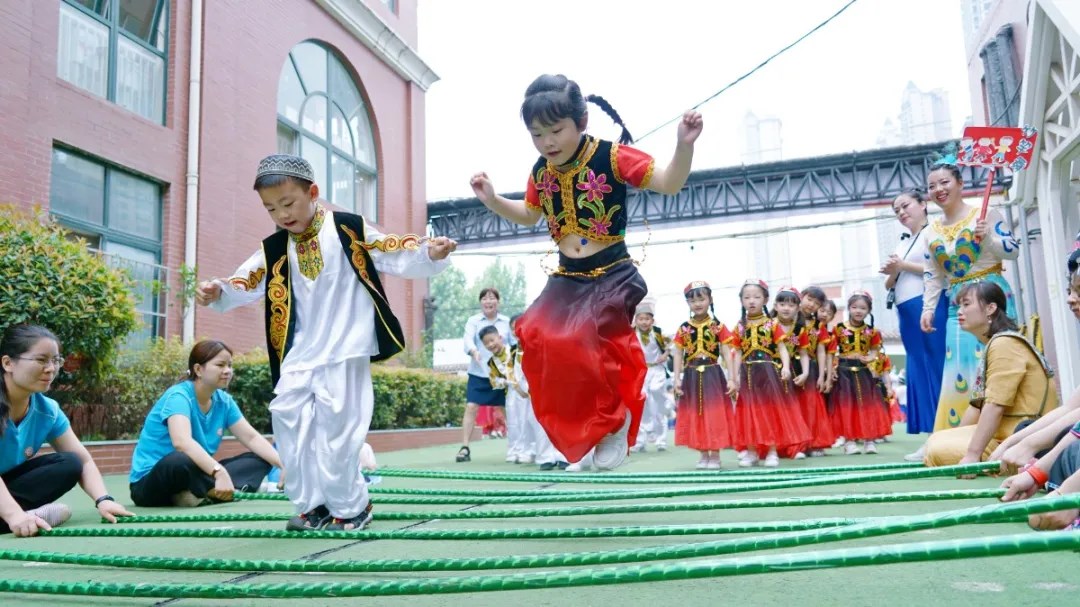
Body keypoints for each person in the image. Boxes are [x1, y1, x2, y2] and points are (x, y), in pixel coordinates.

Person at [195, 154, 455, 532]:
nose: (282, 214)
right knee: (288, 419)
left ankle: (352, 508)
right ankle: (312, 505)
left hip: (346, 347)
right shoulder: (274, 248)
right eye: (271, 208)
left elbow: (393, 249)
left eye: (288, 203)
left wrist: (429, 251)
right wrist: (216, 290)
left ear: (313, 192)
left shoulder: (348, 228)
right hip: (300, 351)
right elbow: (244, 282)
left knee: (338, 431)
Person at [468, 74, 703, 469]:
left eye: (556, 131)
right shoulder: (541, 172)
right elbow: (528, 215)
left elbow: (670, 182)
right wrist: (492, 200)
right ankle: (591, 426)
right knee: (537, 333)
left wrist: (683, 145)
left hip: (612, 271)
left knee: (585, 340)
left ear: (582, 122)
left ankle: (614, 424)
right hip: (567, 278)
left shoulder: (613, 156)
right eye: (537, 135)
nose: (548, 143)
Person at [0, 324, 133, 536]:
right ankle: (18, 517)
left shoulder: (47, 411)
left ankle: (23, 516)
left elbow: (84, 460)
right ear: (8, 363)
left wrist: (104, 500)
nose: (51, 368)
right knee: (14, 515)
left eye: (55, 360)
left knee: (70, 463)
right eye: (41, 360)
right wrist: (14, 514)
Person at [921, 160, 1020, 431]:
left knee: (998, 361)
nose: (938, 189)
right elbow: (933, 274)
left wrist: (988, 239)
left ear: (961, 183)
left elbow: (1013, 251)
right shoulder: (930, 231)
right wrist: (927, 308)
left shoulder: (987, 214)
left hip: (991, 298)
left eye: (944, 182)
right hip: (958, 303)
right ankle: (955, 432)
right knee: (958, 369)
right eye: (932, 186)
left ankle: (1006, 429)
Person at [129, 340, 283, 507]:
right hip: (151, 483)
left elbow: (252, 438)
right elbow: (182, 442)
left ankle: (202, 493)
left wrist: (284, 465)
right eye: (220, 365)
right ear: (198, 369)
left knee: (261, 458)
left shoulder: (224, 402)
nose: (227, 371)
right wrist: (219, 472)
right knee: (179, 461)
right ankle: (224, 489)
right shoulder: (179, 396)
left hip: (200, 474)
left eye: (230, 365)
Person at [925, 282, 1057, 468]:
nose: (959, 312)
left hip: (1019, 440)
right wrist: (956, 438)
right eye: (959, 306)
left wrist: (972, 455)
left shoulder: (1005, 344)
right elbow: (978, 408)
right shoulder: (997, 343)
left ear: (990, 308)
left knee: (936, 449)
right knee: (937, 440)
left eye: (966, 304)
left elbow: (995, 405)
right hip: (1005, 435)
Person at [881, 189, 947, 461]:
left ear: (923, 204)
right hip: (905, 309)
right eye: (896, 210)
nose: (901, 213)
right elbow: (889, 283)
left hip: (930, 303)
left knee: (937, 367)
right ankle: (931, 435)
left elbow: (942, 267)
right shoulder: (902, 243)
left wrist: (902, 265)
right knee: (919, 369)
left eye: (905, 205)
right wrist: (896, 269)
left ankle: (942, 435)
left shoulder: (936, 231)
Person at [730, 280, 810, 467]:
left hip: (768, 373)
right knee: (748, 413)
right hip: (748, 373)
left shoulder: (772, 324)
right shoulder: (739, 327)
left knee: (770, 412)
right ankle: (751, 452)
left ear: (765, 300)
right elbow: (737, 353)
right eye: (747, 297)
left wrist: (784, 367)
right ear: (741, 300)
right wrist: (733, 378)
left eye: (757, 297)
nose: (752, 301)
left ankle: (772, 451)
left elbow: (782, 348)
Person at [672, 282, 736, 469]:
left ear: (710, 300)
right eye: (692, 300)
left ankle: (714, 454)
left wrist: (731, 378)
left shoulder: (718, 326)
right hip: (691, 375)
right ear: (687, 303)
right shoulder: (684, 328)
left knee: (713, 414)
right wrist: (677, 378)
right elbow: (678, 354)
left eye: (701, 299)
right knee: (696, 414)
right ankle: (702, 453)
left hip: (713, 374)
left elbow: (726, 352)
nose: (697, 303)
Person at [827, 292, 891, 455]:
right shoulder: (838, 329)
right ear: (848, 308)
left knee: (867, 406)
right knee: (847, 407)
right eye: (854, 307)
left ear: (869, 310)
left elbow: (876, 351)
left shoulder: (872, 331)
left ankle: (869, 441)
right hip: (844, 372)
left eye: (863, 308)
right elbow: (832, 351)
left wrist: (869, 358)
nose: (858, 311)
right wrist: (833, 369)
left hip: (864, 373)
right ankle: (849, 442)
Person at [777, 287, 834, 458]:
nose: (812, 305)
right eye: (810, 299)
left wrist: (823, 376)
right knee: (788, 406)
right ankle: (788, 444)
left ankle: (812, 443)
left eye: (817, 303)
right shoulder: (781, 319)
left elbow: (821, 350)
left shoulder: (818, 326)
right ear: (801, 297)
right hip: (784, 365)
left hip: (808, 367)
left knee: (810, 406)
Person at [456, 288, 512, 462]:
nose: (489, 301)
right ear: (481, 303)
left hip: (502, 374)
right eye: (485, 299)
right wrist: (473, 351)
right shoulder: (473, 321)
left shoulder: (506, 322)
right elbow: (467, 340)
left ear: (498, 302)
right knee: (471, 407)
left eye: (492, 298)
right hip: (479, 372)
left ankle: (517, 446)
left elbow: (513, 343)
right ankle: (465, 447)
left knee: (507, 410)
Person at [632, 298, 671, 453]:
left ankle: (661, 439)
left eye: (647, 319)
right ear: (636, 320)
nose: (644, 322)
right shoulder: (632, 334)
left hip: (657, 370)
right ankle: (640, 440)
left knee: (657, 395)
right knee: (642, 401)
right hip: (641, 371)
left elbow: (673, 345)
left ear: (652, 320)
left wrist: (666, 354)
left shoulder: (659, 333)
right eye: (641, 319)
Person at [505, 315, 540, 465]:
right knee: (520, 422)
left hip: (534, 391)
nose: (516, 330)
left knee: (534, 421)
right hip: (519, 393)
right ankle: (523, 450)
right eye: (513, 328)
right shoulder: (513, 350)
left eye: (518, 326)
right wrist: (517, 387)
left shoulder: (533, 346)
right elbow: (509, 370)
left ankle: (535, 449)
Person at [479, 326, 515, 462]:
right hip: (510, 395)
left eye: (492, 340)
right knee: (513, 424)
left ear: (500, 337)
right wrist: (504, 381)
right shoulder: (492, 362)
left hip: (526, 393)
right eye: (486, 343)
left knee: (529, 421)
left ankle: (532, 450)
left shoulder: (514, 351)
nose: (490, 345)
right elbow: (494, 382)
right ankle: (515, 451)